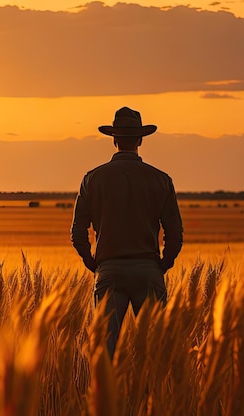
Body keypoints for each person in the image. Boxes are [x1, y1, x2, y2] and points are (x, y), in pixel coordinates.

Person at [70, 106, 183, 357]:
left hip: (109, 270)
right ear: (141, 140)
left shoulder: (92, 179)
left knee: (105, 355)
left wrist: (94, 263)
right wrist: (162, 264)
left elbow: (78, 231)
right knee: (156, 352)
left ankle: (112, 397)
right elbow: (175, 233)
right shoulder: (161, 179)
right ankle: (151, 395)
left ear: (114, 140)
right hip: (148, 269)